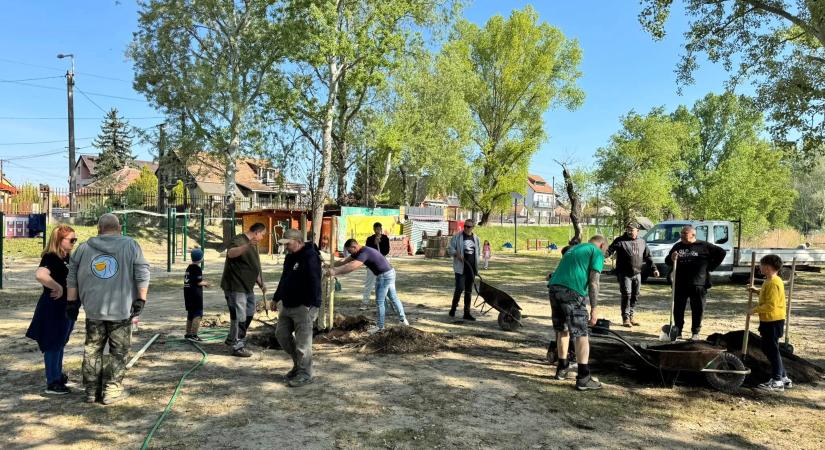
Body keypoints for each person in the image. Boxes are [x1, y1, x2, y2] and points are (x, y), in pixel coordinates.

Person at [67, 214, 150, 405]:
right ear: (119, 227)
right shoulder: (131, 245)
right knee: (119, 351)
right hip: (121, 310)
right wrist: (141, 299)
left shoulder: (84, 248)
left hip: (94, 309)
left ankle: (90, 390)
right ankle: (111, 390)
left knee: (92, 349)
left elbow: (71, 275)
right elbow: (142, 272)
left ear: (99, 228)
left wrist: (72, 302)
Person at [548, 235, 608, 391]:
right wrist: (594, 309)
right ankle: (583, 377)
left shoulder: (575, 248)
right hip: (571, 292)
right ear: (602, 246)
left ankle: (562, 368)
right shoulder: (596, 252)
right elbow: (594, 282)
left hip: (554, 288)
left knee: (563, 330)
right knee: (581, 333)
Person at [25, 225, 78, 395]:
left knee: (60, 342)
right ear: (59, 240)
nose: (73, 243)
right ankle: (52, 381)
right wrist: (57, 287)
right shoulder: (51, 257)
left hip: (66, 308)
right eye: (71, 240)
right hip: (53, 308)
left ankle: (57, 374)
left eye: (75, 240)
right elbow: (40, 275)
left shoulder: (67, 257)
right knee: (52, 344)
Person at [272, 229, 322, 387]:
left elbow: (315, 280)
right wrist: (276, 297)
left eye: (288, 244)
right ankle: (298, 365)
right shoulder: (289, 257)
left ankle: (305, 373)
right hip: (287, 304)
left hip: (304, 305)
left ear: (298, 242)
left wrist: (312, 304)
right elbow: (284, 278)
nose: (286, 247)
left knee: (303, 343)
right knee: (281, 335)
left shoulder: (310, 256)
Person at [330, 238, 409, 333]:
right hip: (390, 272)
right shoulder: (358, 251)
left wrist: (335, 271)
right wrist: (330, 265)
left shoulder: (364, 253)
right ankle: (403, 320)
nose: (349, 253)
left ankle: (380, 327)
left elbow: (352, 266)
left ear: (354, 247)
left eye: (350, 251)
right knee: (393, 297)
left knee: (379, 302)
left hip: (384, 275)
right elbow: (344, 261)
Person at [665, 225, 726, 341]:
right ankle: (678, 331)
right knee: (678, 309)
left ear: (693, 235)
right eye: (681, 233)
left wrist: (711, 267)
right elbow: (667, 261)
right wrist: (672, 258)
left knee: (698, 309)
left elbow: (721, 253)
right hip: (680, 283)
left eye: (684, 234)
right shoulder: (678, 246)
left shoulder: (704, 246)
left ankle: (695, 332)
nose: (681, 236)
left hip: (698, 283)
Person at [221, 222, 268, 357]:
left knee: (248, 312)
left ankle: (232, 339)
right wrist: (247, 245)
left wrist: (260, 283)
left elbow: (253, 266)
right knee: (239, 316)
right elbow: (231, 253)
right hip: (236, 285)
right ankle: (238, 346)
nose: (262, 238)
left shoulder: (253, 244)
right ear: (256, 232)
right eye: (262, 235)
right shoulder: (239, 240)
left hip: (247, 286)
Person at [748, 254, 793, 391]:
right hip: (770, 320)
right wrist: (757, 291)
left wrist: (754, 310)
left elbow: (771, 305)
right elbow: (767, 295)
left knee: (771, 350)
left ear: (767, 267)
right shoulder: (771, 280)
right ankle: (783, 377)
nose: (759, 267)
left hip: (773, 320)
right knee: (770, 349)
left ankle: (777, 381)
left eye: (761, 265)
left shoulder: (773, 282)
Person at [607, 223, 658, 327]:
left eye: (632, 230)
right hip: (624, 273)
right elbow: (609, 251)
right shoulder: (620, 241)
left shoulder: (642, 242)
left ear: (637, 231)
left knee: (635, 295)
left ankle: (631, 316)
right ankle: (625, 318)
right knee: (626, 294)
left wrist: (654, 269)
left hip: (637, 273)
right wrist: (599, 255)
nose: (629, 232)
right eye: (628, 230)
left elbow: (648, 257)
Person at [447, 219, 480, 320]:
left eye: (468, 227)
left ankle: (467, 313)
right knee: (460, 288)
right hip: (460, 269)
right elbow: (450, 248)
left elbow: (478, 253)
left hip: (471, 269)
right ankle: (453, 308)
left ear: (473, 228)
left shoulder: (476, 238)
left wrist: (476, 267)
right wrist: (457, 254)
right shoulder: (457, 237)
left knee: (468, 291)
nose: (466, 228)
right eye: (465, 226)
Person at [360, 222, 390, 311]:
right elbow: (368, 251)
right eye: (376, 229)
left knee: (384, 284)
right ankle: (365, 303)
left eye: (379, 229)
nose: (377, 230)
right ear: (374, 229)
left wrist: (380, 243)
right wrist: (374, 243)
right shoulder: (370, 239)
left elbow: (386, 251)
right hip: (372, 264)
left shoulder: (385, 238)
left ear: (381, 229)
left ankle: (385, 303)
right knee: (369, 284)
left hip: (382, 264)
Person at [184, 248, 209, 342]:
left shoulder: (189, 267)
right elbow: (198, 282)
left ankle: (188, 333)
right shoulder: (197, 269)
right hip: (195, 295)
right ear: (200, 258)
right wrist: (205, 283)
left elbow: (192, 280)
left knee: (190, 314)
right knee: (198, 314)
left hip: (188, 294)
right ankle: (194, 334)